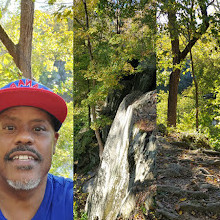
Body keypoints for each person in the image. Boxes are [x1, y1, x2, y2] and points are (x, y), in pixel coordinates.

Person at [0, 78, 73, 220]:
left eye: (38, 129)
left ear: (54, 142)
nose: (24, 137)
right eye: (10, 128)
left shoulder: (70, 199)